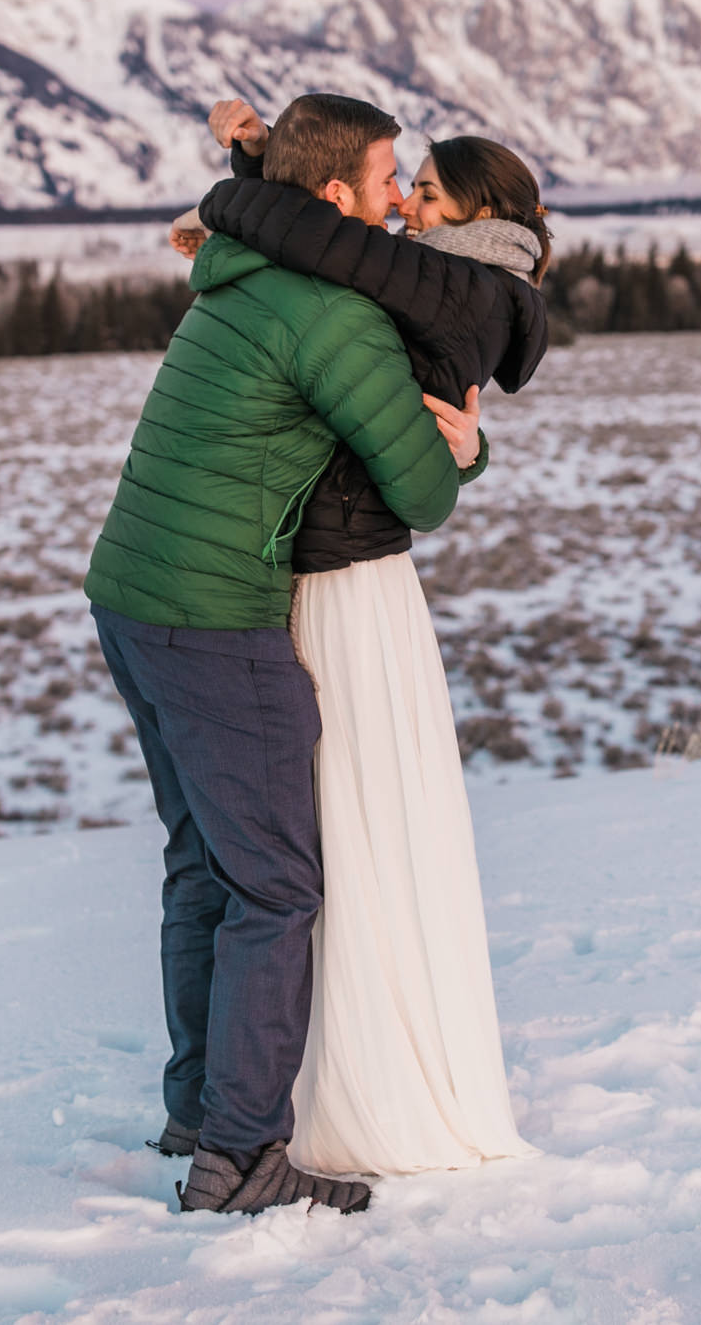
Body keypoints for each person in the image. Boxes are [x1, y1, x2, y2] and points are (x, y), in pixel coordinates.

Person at [83, 93, 484, 1216]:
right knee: (276, 884)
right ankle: (243, 1156)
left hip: (129, 593)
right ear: (332, 199)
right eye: (388, 178)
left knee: (202, 859)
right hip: (215, 615)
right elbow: (419, 488)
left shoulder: (237, 273)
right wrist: (472, 446)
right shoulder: (332, 314)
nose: (402, 197)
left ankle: (196, 1107)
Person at [171, 99, 553, 1178]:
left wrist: (236, 185)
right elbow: (327, 217)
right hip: (327, 567)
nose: (405, 205)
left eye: (424, 191)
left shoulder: (461, 281)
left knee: (325, 830)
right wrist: (260, 158)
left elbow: (319, 228)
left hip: (348, 575)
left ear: (476, 213)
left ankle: (317, 1092)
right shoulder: (441, 270)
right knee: (314, 833)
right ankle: (258, 1096)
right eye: (405, 183)